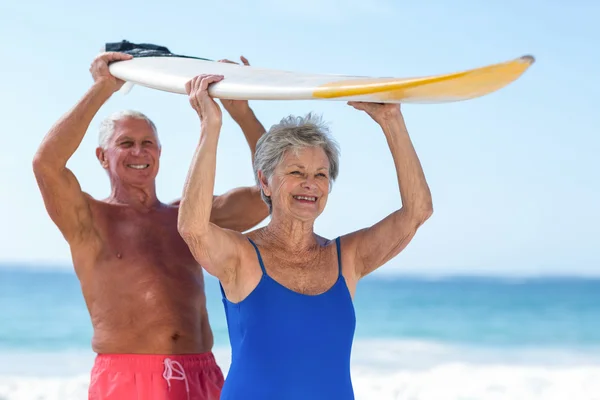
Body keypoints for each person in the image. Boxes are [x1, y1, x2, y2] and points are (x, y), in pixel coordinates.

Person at [178, 74, 434, 400]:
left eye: (320, 175)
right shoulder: (240, 256)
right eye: (296, 173)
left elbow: (417, 212)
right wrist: (210, 127)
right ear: (265, 183)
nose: (310, 184)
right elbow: (193, 227)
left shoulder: (347, 258)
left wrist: (391, 120)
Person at [32, 53, 269, 400]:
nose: (138, 152)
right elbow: (46, 164)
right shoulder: (89, 219)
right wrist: (102, 88)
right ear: (102, 156)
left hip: (202, 373)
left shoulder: (190, 217)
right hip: (129, 378)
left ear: (159, 152)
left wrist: (242, 113)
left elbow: (269, 194)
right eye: (126, 143)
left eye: (147, 144)